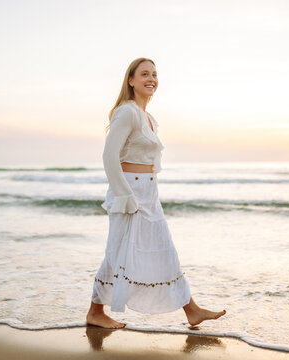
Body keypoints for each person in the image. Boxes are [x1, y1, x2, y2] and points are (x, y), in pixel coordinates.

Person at [86, 57, 226, 329]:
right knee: (118, 253)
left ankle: (192, 310)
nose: (151, 79)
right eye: (144, 74)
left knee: (164, 250)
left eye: (154, 74)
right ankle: (95, 312)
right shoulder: (126, 112)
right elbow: (108, 156)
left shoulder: (148, 117)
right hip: (130, 191)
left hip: (148, 192)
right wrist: (125, 194)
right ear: (131, 80)